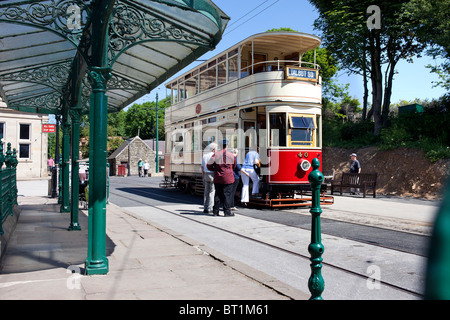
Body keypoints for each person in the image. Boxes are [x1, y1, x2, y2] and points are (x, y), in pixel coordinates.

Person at [207, 140, 236, 216]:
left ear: (219, 146)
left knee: (218, 194)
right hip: (228, 178)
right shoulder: (231, 155)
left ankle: (215, 212)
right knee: (227, 195)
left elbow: (208, 165)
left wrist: (215, 169)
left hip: (218, 178)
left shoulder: (215, 155)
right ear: (227, 146)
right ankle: (227, 212)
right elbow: (234, 166)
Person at [201, 142, 217, 213]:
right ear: (214, 149)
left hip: (206, 174)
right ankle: (210, 208)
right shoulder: (215, 156)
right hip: (212, 174)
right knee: (212, 192)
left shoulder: (205, 156)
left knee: (206, 191)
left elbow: (202, 167)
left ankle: (205, 207)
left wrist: (203, 176)